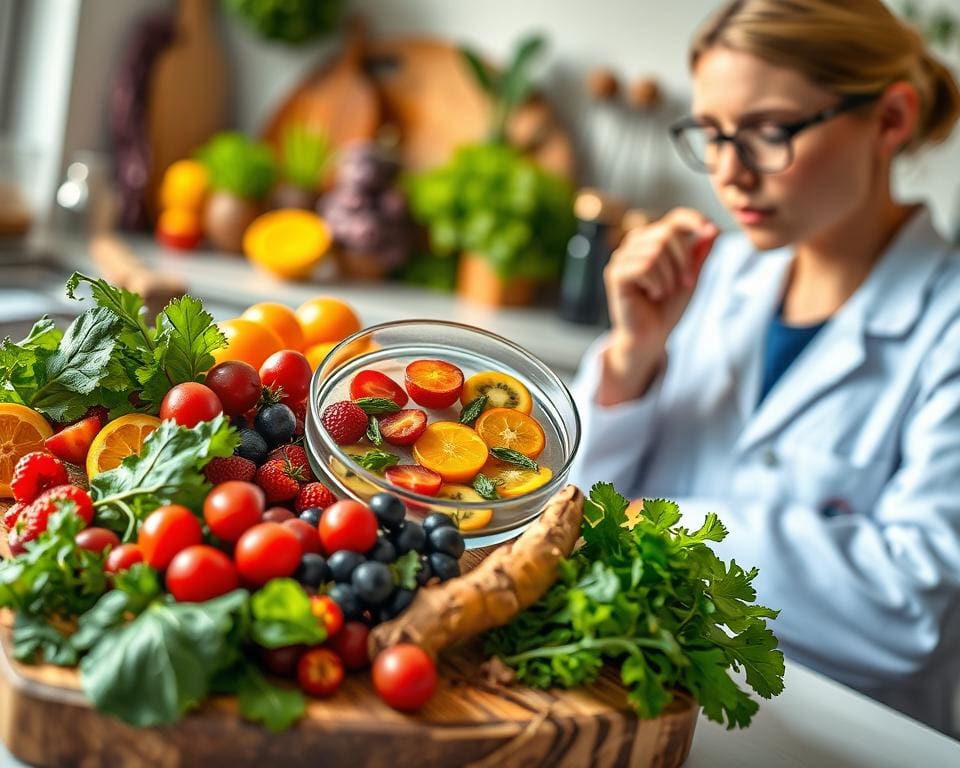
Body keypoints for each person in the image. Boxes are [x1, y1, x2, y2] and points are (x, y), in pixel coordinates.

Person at [568, 0, 960, 734]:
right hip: (650, 709)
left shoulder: (948, 325)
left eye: (769, 133)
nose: (729, 174)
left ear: (891, 119)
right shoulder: (718, 280)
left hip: (844, 742)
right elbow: (575, 513)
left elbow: (911, 604)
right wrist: (632, 360)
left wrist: (660, 529)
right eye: (712, 135)